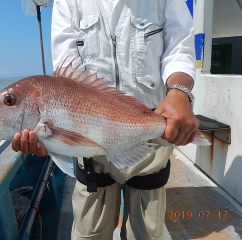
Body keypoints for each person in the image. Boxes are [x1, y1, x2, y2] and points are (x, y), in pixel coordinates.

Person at [12, 0, 199, 239]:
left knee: (146, 233)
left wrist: (179, 93)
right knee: (90, 232)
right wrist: (49, 143)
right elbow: (66, 76)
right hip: (91, 149)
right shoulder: (67, 2)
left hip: (150, 136)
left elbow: (179, 48)